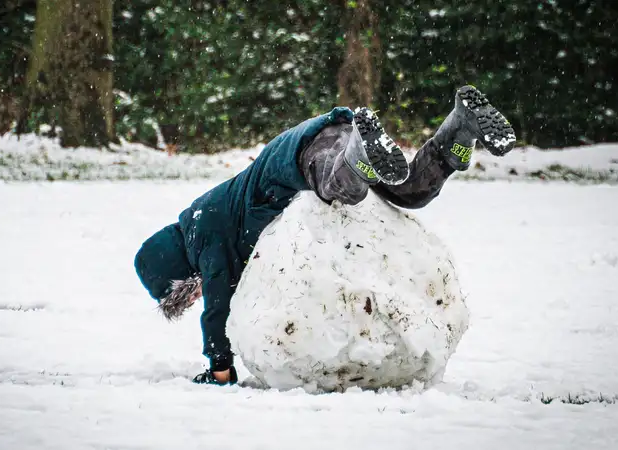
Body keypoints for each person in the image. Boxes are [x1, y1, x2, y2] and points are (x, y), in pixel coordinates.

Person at [134, 86, 516, 385]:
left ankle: (358, 151)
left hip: (301, 151)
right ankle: (459, 131)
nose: (197, 293)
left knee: (342, 188)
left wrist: (219, 367)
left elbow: (218, 302)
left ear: (178, 274)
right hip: (328, 144)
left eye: (188, 292)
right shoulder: (207, 223)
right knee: (412, 191)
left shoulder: (204, 231)